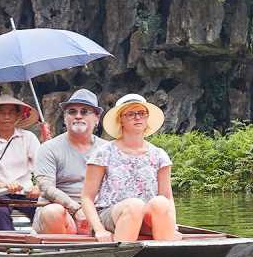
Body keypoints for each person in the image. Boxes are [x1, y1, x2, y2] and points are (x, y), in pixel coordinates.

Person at [81, 93, 180, 242]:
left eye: (141, 113)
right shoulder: (104, 152)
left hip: (147, 216)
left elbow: (167, 197)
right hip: (111, 215)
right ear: (120, 119)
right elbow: (87, 198)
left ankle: (165, 251)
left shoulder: (159, 155)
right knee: (135, 206)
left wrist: (172, 226)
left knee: (160, 203)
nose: (137, 117)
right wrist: (99, 230)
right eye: (130, 114)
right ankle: (122, 254)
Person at [33, 88, 107, 234]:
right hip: (59, 212)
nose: (78, 116)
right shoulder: (48, 148)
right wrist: (75, 208)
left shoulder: (107, 149)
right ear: (65, 118)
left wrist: (90, 213)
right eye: (72, 112)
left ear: (97, 118)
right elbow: (45, 187)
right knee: (53, 212)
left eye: (84, 112)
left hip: (97, 212)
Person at [0, 94, 44, 230]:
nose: (7, 116)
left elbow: (42, 166)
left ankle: (46, 241)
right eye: (2, 113)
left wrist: (38, 186)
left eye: (11, 112)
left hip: (24, 192)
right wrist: (4, 185)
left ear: (18, 115)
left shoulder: (28, 138)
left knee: (45, 210)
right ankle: (9, 242)